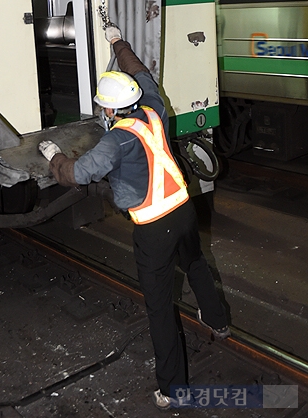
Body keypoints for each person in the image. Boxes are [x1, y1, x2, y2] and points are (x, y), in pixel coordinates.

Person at [38, 26, 230, 411]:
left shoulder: (114, 140)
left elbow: (78, 174)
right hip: (185, 210)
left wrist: (52, 156)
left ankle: (173, 389)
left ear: (109, 110)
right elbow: (139, 69)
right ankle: (218, 320)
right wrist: (116, 43)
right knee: (195, 264)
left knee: (160, 309)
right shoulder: (154, 108)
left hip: (154, 229)